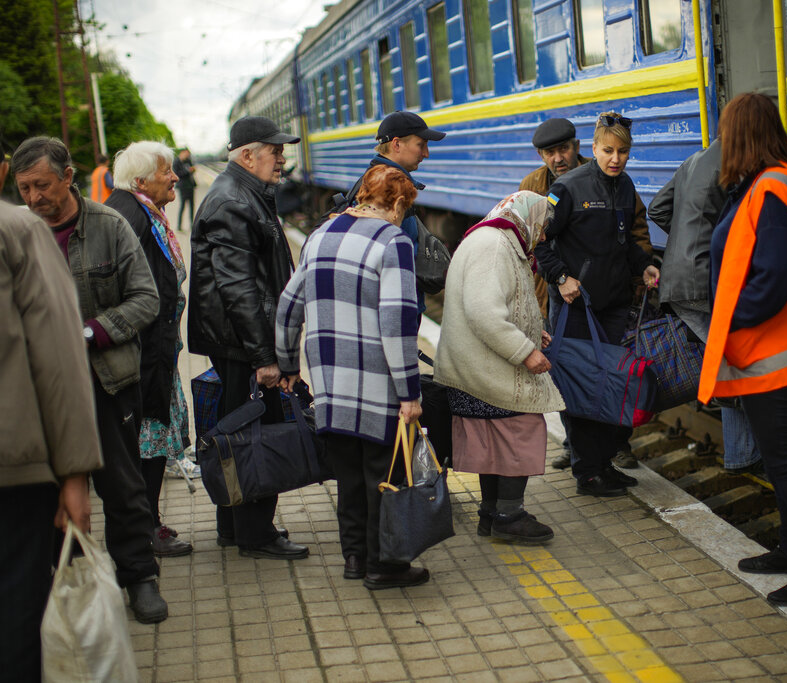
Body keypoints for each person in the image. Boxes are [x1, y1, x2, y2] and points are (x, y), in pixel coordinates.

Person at [11, 136, 168, 623]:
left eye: (42, 185)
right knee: (50, 492)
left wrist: (88, 332)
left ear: (68, 177)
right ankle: (71, 583)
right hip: (37, 391)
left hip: (105, 381)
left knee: (122, 486)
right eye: (23, 189)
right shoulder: (18, 235)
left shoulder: (110, 225)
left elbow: (146, 299)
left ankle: (139, 577)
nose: (34, 198)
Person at [698, 92, 787, 606]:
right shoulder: (775, 182)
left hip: (783, 354)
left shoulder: (773, 188)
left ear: (741, 133)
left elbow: (775, 279)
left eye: (726, 132)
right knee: (785, 461)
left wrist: (726, 320)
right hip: (777, 352)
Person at [276, 165, 428, 589]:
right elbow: (397, 322)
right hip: (377, 386)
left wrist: (288, 364)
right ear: (396, 203)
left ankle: (354, 559)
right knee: (383, 474)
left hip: (330, 385)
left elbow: (288, 306)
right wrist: (409, 392)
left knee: (347, 475)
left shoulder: (319, 235)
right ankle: (386, 566)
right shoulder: (392, 240)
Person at [0, 134, 104, 683]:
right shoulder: (18, 232)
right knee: (19, 607)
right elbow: (59, 360)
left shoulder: (103, 222)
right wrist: (75, 474)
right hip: (15, 469)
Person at [188, 116, 309, 560]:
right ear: (246, 155)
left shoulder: (245, 194)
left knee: (237, 432)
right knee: (253, 436)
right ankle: (255, 533)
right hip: (243, 345)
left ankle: (234, 527)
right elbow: (239, 289)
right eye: (274, 150)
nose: (282, 158)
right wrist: (266, 356)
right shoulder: (233, 202)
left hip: (238, 342)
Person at [535, 112, 660, 497]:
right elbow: (537, 240)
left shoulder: (624, 188)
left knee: (609, 385)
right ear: (592, 149)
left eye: (623, 152)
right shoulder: (568, 188)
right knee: (582, 388)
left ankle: (603, 463)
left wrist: (647, 266)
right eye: (608, 151)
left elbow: (626, 245)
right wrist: (560, 278)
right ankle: (587, 472)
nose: (615, 159)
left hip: (613, 306)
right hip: (576, 308)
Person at [434, 192, 565, 543]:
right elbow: (484, 313)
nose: (543, 234)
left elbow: (504, 301)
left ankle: (491, 513)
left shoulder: (498, 239)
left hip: (478, 366)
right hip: (485, 370)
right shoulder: (494, 246)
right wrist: (526, 351)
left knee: (494, 442)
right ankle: (509, 515)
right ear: (528, 216)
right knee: (520, 429)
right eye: (543, 225)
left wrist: (534, 330)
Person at [649, 139, 762, 473]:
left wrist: (685, 239)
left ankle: (745, 452)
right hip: (702, 279)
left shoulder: (693, 160)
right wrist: (707, 244)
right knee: (732, 360)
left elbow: (657, 209)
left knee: (727, 358)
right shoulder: (737, 161)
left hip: (677, 276)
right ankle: (744, 454)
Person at [106, 141, 194, 558]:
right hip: (140, 355)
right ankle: (145, 529)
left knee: (150, 440)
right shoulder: (131, 217)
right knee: (146, 443)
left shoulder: (138, 211)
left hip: (154, 350)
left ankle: (149, 522)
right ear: (141, 181)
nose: (175, 177)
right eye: (167, 172)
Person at [320, 110, 446, 314]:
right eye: (421, 145)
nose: (426, 154)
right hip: (391, 309)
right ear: (396, 144)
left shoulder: (376, 182)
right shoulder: (385, 191)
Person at [172, 147, 197, 231]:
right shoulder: (176, 162)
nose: (187, 155)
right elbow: (177, 174)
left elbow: (191, 170)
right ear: (182, 152)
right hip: (182, 187)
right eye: (186, 153)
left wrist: (192, 170)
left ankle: (192, 224)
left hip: (190, 186)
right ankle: (179, 226)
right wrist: (188, 171)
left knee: (192, 206)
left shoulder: (188, 160)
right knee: (182, 206)